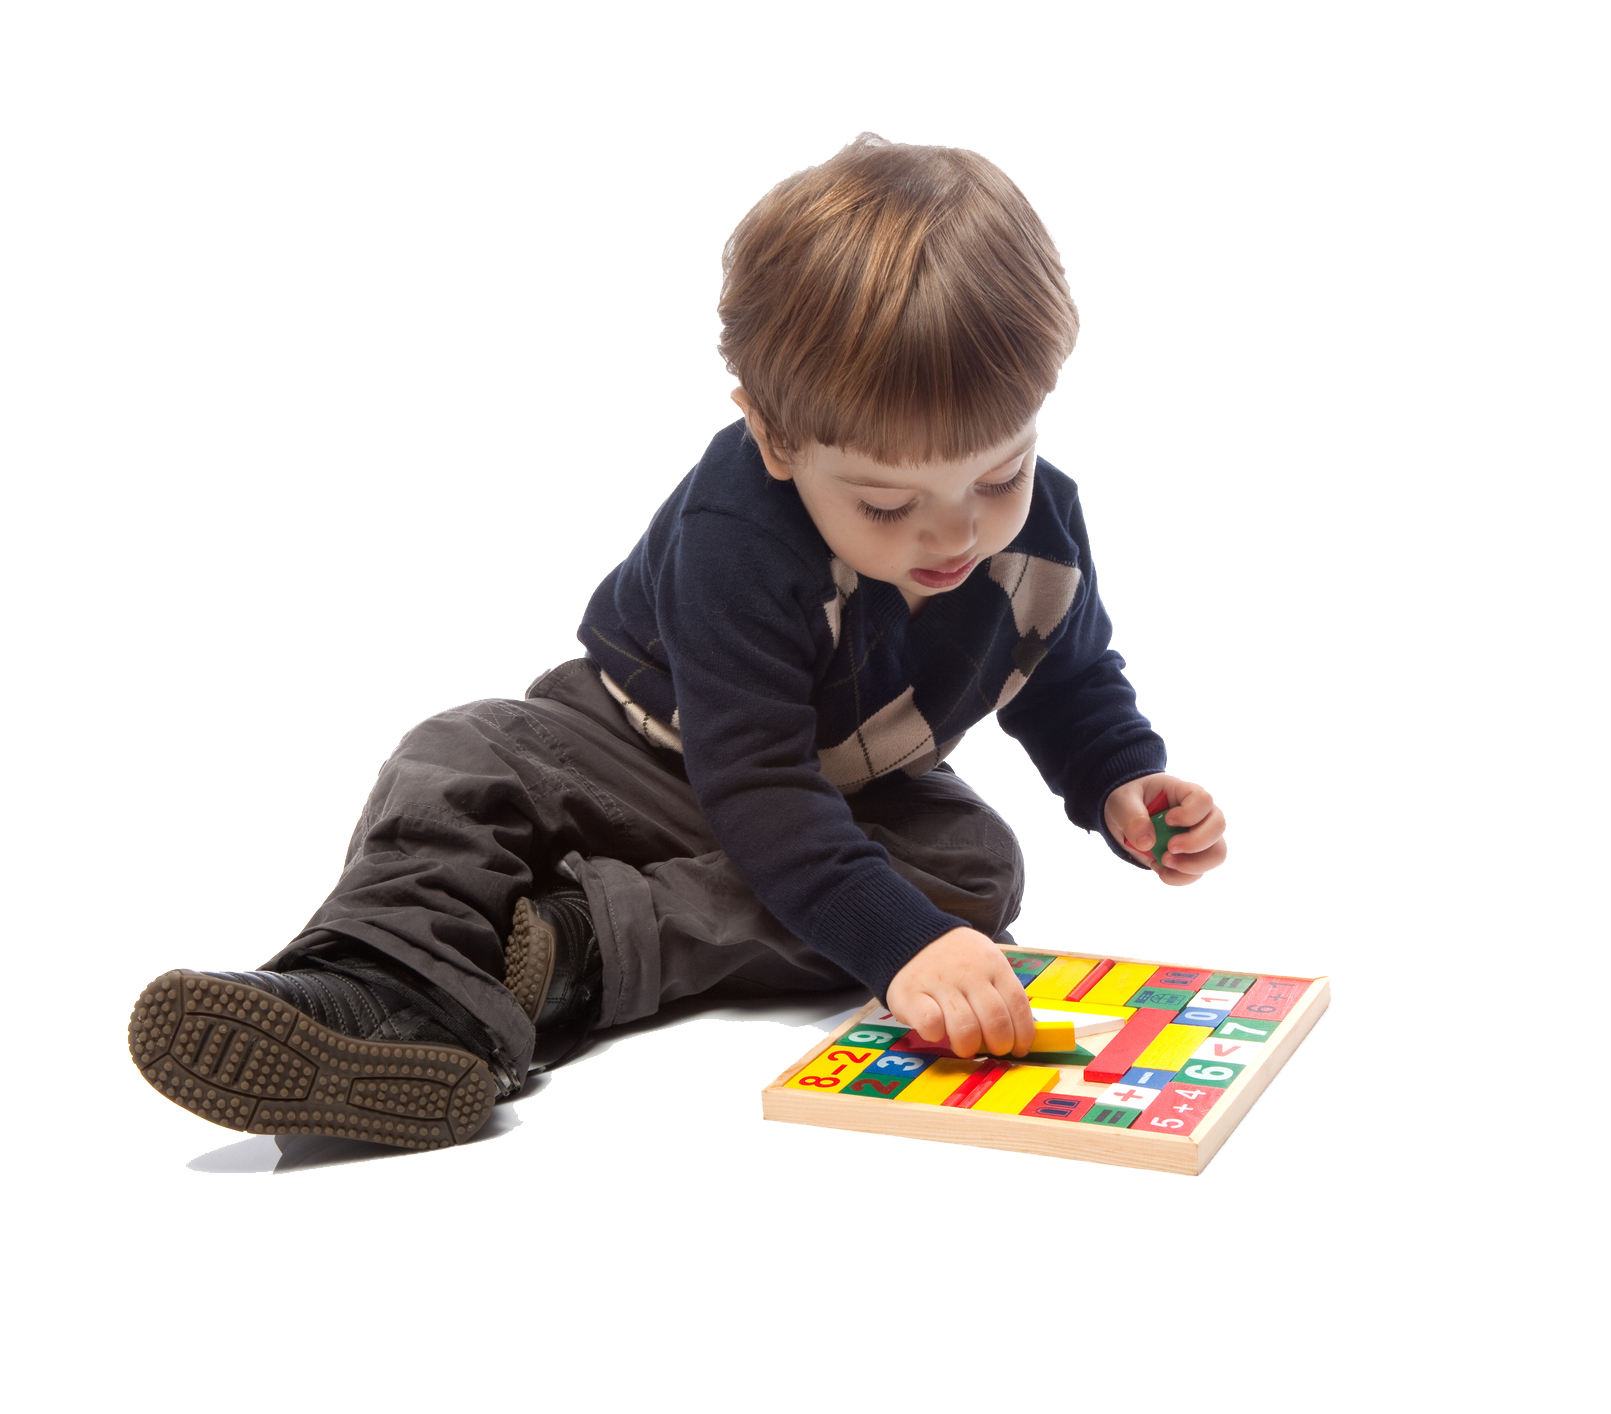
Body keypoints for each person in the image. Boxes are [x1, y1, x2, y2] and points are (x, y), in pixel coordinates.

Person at [128, 133, 1229, 1152]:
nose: (956, 531)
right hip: (637, 749)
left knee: (976, 869)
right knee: (457, 754)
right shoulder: (737, 530)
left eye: (998, 474)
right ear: (775, 436)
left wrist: (1121, 777)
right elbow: (755, 786)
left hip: (834, 793)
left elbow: (1068, 672)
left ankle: (567, 954)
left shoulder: (1040, 528)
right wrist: (898, 949)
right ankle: (372, 985)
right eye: (890, 506)